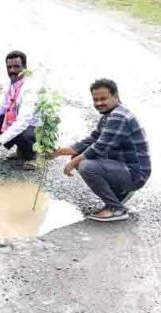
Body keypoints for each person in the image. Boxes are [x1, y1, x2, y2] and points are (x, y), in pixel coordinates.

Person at [51, 78, 151, 222]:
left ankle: (116, 209)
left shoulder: (119, 116)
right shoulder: (109, 115)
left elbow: (99, 147)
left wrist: (72, 164)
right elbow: (91, 140)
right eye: (95, 99)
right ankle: (120, 194)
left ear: (116, 96)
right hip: (124, 167)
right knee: (80, 158)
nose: (99, 103)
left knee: (86, 166)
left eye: (103, 99)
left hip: (135, 173)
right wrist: (58, 152)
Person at [0, 51, 40, 170]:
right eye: (9, 67)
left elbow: (23, 122)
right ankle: (22, 150)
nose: (12, 70)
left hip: (36, 126)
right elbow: (3, 105)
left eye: (16, 67)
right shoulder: (11, 81)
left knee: (25, 133)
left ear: (25, 68)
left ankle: (33, 156)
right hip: (19, 121)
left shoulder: (30, 89)